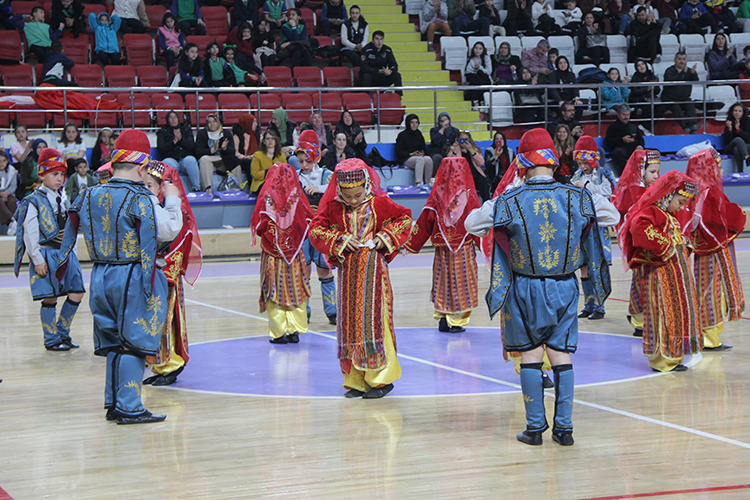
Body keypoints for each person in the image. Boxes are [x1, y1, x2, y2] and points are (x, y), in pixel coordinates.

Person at [464, 128, 611, 446]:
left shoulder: (509, 200)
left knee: (530, 354)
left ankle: (534, 429)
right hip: (565, 287)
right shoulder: (577, 197)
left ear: (521, 163)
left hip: (524, 287)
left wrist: (503, 197)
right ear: (553, 161)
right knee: (561, 354)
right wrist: (586, 193)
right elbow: (610, 216)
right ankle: (564, 429)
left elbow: (471, 224)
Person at [57, 129, 183, 423]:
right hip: (132, 275)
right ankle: (130, 406)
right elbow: (168, 229)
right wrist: (172, 200)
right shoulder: (140, 197)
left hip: (100, 274)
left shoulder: (88, 193)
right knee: (134, 341)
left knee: (114, 340)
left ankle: (114, 402)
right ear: (141, 168)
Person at [309, 158, 412, 398]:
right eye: (348, 196)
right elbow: (316, 229)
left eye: (357, 195)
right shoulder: (334, 207)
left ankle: (380, 379)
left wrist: (384, 236)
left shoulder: (379, 203)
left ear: (366, 185)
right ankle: (356, 381)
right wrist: (339, 239)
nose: (354, 201)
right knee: (349, 324)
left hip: (373, 270)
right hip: (348, 273)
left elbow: (405, 218)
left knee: (373, 320)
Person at [620, 170, 701, 372]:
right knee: (663, 314)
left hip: (673, 273)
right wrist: (667, 245)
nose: (682, 207)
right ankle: (662, 359)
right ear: (668, 195)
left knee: (674, 313)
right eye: (680, 202)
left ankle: (673, 355)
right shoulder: (651, 212)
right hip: (661, 274)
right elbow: (638, 228)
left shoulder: (666, 215)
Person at [14, 148, 85, 351]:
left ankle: (62, 331)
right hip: (46, 253)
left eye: (62, 174)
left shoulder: (64, 197)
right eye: (54, 174)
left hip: (65, 253)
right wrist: (37, 259)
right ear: (42, 175)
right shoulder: (33, 200)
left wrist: (72, 251)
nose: (59, 178)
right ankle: (51, 339)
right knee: (50, 296)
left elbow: (70, 227)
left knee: (77, 292)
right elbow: (30, 233)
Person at [142, 160, 201, 386]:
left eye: (150, 185)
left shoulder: (174, 212)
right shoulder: (150, 208)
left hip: (164, 275)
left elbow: (177, 245)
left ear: (162, 188)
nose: (145, 189)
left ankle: (170, 363)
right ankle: (159, 364)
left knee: (165, 320)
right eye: (142, 184)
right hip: (151, 275)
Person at [405, 156, 480, 332]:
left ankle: (444, 318)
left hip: (443, 250)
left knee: (443, 282)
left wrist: (411, 244)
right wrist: (486, 242)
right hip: (463, 248)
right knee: (462, 283)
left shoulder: (437, 195)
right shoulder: (469, 195)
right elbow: (478, 221)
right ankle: (457, 321)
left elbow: (425, 220)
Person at [684, 148, 746, 351]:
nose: (721, 171)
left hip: (701, 249)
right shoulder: (709, 192)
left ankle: (705, 334)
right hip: (713, 250)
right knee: (711, 290)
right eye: (718, 167)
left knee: (704, 289)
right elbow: (724, 218)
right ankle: (709, 336)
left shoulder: (694, 192)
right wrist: (740, 215)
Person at [250, 163, 313, 344]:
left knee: (274, 291)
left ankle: (278, 333)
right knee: (295, 290)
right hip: (294, 254)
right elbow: (308, 221)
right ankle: (294, 330)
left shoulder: (266, 198)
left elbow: (260, 226)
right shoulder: (297, 198)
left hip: (273, 254)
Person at [612, 148, 661, 336]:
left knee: (645, 280)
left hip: (648, 243)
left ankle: (641, 317)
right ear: (641, 171)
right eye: (652, 171)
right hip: (640, 244)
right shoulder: (634, 191)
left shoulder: (650, 189)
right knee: (642, 281)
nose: (656, 176)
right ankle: (639, 319)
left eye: (657, 171)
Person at [571, 136, 619, 320]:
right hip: (582, 226)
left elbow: (609, 192)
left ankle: (600, 306)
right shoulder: (576, 175)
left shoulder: (603, 173)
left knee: (597, 265)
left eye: (585, 163)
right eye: (580, 163)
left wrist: (587, 186)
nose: (583, 166)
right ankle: (588, 305)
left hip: (597, 227)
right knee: (583, 266)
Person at [295, 131, 338, 325]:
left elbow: (339, 191)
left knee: (325, 271)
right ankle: (304, 312)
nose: (304, 165)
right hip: (303, 233)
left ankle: (332, 311)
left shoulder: (328, 176)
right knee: (303, 272)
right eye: (301, 161)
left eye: (308, 161)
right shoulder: (294, 177)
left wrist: (320, 189)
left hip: (323, 232)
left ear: (317, 158)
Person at [157, 110, 202, 192]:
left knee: (191, 160)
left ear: (178, 119)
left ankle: (196, 188)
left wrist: (181, 139)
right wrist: (173, 142)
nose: (173, 119)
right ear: (167, 120)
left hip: (184, 159)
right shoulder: (162, 132)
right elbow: (161, 149)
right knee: (167, 162)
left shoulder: (186, 129)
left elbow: (192, 147)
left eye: (175, 117)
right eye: (171, 117)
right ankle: (171, 190)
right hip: (171, 158)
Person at [196, 114, 241, 192]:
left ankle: (238, 189)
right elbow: (198, 152)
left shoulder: (226, 133)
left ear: (218, 122)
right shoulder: (202, 134)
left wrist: (225, 148)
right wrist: (212, 150)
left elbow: (232, 151)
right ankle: (208, 189)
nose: (212, 124)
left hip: (223, 160)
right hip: (210, 161)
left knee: (236, 164)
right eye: (209, 122)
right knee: (204, 160)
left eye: (214, 121)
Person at [662, 52, 700, 134]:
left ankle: (693, 126)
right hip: (670, 98)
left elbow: (696, 81)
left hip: (684, 98)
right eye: (679, 59)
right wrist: (683, 73)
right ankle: (686, 126)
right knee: (676, 108)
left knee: (690, 106)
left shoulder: (689, 71)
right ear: (675, 60)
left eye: (683, 59)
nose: (681, 61)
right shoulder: (669, 71)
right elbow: (672, 80)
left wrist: (693, 74)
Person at [604, 104, 645, 176]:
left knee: (654, 152)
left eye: (628, 115)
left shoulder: (633, 126)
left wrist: (640, 146)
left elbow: (641, 140)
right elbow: (608, 142)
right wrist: (622, 140)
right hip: (621, 149)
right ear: (618, 114)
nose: (626, 117)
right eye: (624, 114)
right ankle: (626, 174)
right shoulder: (612, 127)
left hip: (634, 149)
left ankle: (645, 174)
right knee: (617, 152)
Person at [360, 31, 403, 95]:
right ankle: (365, 97)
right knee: (366, 76)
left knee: (397, 75)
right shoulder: (366, 50)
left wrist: (390, 71)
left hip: (382, 77)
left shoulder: (387, 50)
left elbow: (394, 65)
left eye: (381, 39)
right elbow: (363, 67)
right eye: (377, 39)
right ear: (373, 41)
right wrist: (378, 71)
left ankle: (398, 97)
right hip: (371, 77)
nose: (379, 42)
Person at [396, 114, 434, 186]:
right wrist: (412, 154)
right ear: (408, 123)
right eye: (412, 122)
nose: (414, 125)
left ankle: (428, 183)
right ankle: (419, 183)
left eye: (416, 122)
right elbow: (399, 152)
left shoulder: (419, 134)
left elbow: (423, 148)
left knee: (428, 159)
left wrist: (422, 153)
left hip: (418, 157)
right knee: (420, 160)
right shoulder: (402, 135)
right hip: (406, 158)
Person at [629, 58, 661, 134]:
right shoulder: (635, 77)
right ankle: (646, 127)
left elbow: (657, 91)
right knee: (648, 107)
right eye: (639, 65)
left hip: (651, 98)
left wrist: (654, 87)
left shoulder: (651, 75)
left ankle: (646, 126)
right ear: (636, 68)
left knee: (662, 107)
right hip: (639, 98)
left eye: (643, 64)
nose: (641, 66)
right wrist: (647, 89)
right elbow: (635, 91)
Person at [250, 130, 286, 195]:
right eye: (268, 138)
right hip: (261, 184)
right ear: (264, 141)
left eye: (272, 138)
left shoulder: (281, 156)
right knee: (271, 187)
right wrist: (270, 170)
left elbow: (285, 173)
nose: (270, 140)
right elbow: (254, 174)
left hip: (277, 183)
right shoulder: (257, 155)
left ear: (276, 141)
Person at [457, 131, 490, 201]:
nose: (463, 142)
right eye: (461, 139)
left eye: (466, 139)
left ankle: (486, 202)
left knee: (482, 180)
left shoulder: (475, 150)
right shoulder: (454, 150)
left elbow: (481, 163)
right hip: (462, 177)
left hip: (475, 176)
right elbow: (453, 163)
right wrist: (456, 150)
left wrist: (471, 151)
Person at [548, 56, 583, 121]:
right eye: (560, 63)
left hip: (569, 100)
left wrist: (577, 98)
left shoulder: (571, 75)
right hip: (557, 101)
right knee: (561, 109)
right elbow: (552, 90)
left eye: (565, 62)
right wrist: (559, 101)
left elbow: (575, 88)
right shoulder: (553, 75)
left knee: (579, 107)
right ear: (557, 65)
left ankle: (575, 125)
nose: (563, 65)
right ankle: (561, 126)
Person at [232, 113, 260, 186]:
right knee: (249, 163)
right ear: (248, 122)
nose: (256, 124)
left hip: (257, 158)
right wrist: (246, 157)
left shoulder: (258, 135)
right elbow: (235, 152)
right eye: (254, 122)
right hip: (243, 159)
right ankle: (252, 187)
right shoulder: (238, 136)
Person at [723, 103, 750, 173]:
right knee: (738, 140)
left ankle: (740, 171)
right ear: (732, 112)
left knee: (736, 149)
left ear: (743, 112)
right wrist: (730, 128)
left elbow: (747, 138)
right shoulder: (729, 121)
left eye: (740, 111)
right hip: (730, 147)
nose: (737, 113)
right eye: (735, 110)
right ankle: (747, 157)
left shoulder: (747, 121)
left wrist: (738, 129)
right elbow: (728, 140)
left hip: (744, 146)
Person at [0, 151, 18, 235]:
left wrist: (6, 193)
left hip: (8, 194)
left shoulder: (11, 171)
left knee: (11, 201)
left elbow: (13, 186)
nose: (2, 163)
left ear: (7, 161)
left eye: (4, 161)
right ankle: (12, 220)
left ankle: (10, 226)